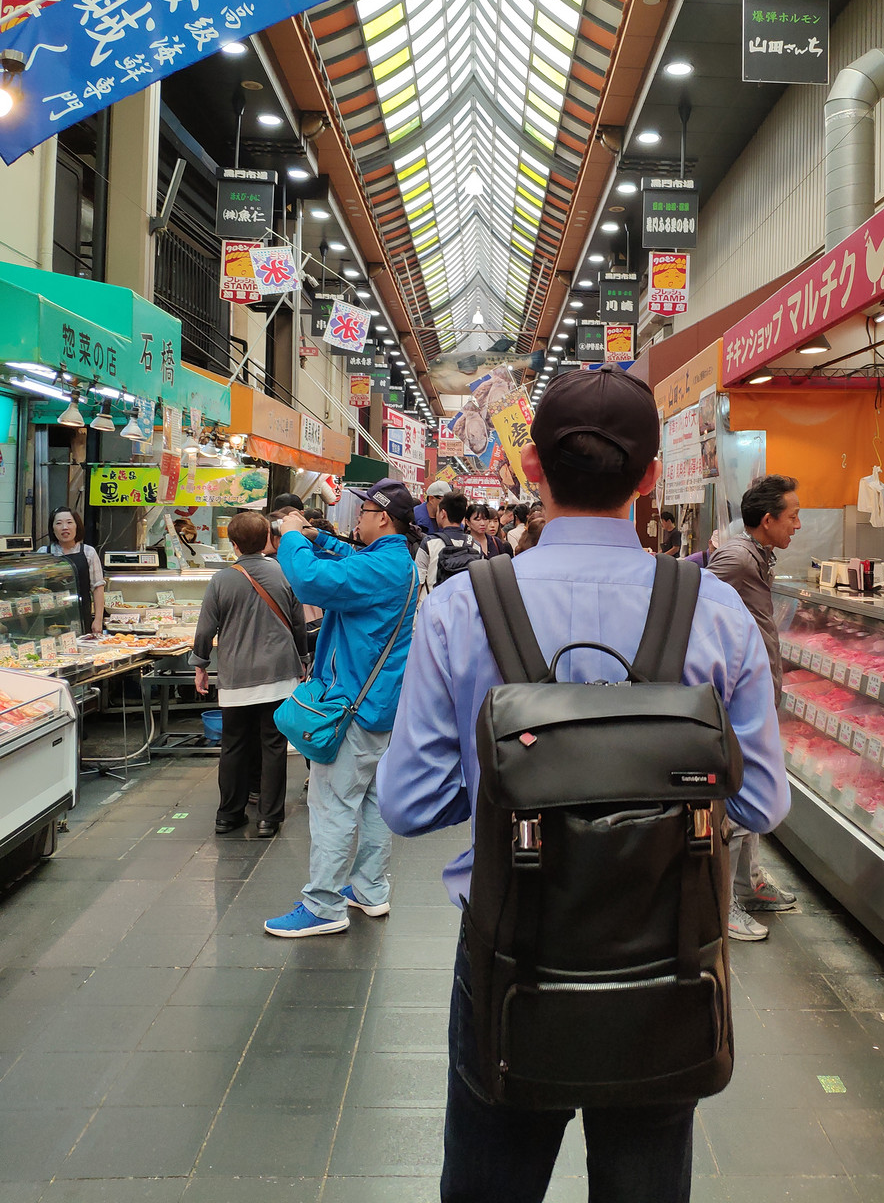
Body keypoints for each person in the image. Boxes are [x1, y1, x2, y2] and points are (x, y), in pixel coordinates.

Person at [378, 363, 789, 1203]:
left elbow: (408, 803)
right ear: (646, 480)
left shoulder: (463, 605)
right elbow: (759, 799)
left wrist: (524, 778)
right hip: (666, 957)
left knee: (492, 1182)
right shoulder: (713, 611)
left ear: (531, 469)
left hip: (508, 952)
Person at [264, 478, 420, 937]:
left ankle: (323, 905)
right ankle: (369, 889)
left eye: (364, 512)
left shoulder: (384, 568)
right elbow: (352, 559)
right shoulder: (395, 561)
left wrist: (292, 536)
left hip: (353, 704)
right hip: (379, 706)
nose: (358, 519)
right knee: (372, 802)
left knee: (331, 803)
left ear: (383, 518)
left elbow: (311, 580)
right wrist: (319, 537)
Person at [708, 474, 802, 942]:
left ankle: (750, 884)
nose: (798, 524)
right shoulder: (737, 556)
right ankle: (722, 906)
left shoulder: (758, 556)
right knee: (737, 800)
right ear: (767, 521)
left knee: (746, 793)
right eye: (792, 516)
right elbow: (698, 585)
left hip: (758, 688)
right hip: (737, 697)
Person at [191, 512, 307, 838]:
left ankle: (228, 814)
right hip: (279, 673)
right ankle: (268, 818)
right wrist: (303, 658)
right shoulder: (284, 575)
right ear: (269, 540)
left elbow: (205, 628)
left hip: (236, 677)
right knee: (273, 745)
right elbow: (298, 623)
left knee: (233, 745)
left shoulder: (221, 580)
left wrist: (200, 664)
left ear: (234, 543)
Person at [39, 507, 105, 635]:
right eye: (59, 523)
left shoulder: (88, 552)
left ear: (77, 526)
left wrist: (98, 619)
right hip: (49, 619)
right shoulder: (43, 554)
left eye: (69, 522)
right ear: (52, 528)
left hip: (80, 617)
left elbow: (98, 588)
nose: (65, 527)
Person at [415, 489, 476, 593]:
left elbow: (418, 582)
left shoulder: (429, 542)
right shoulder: (475, 545)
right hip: (463, 607)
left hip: (431, 605)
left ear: (443, 513)